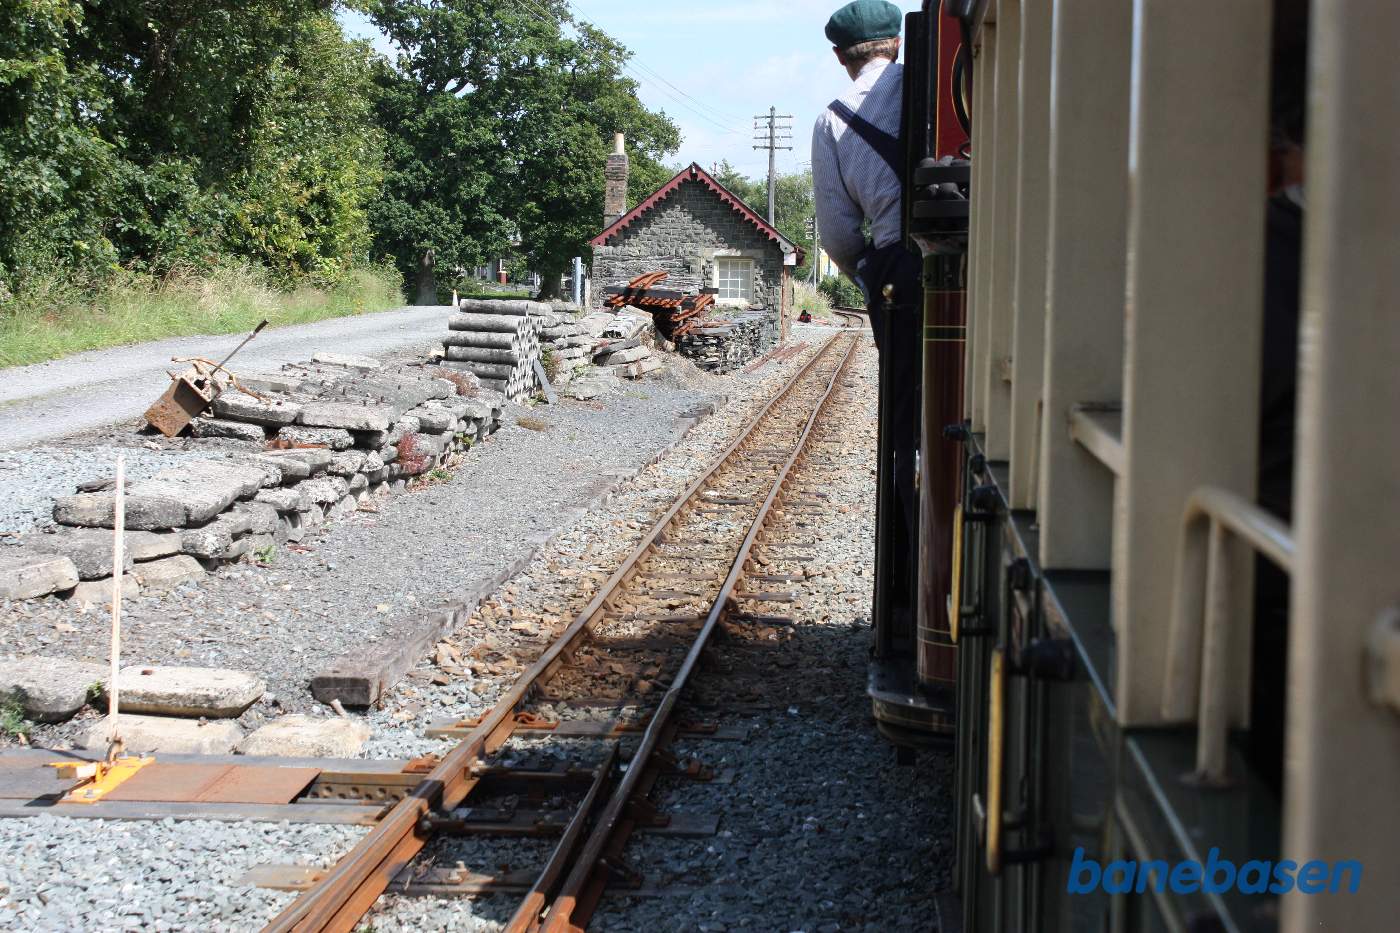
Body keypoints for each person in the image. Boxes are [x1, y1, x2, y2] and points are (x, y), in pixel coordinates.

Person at [812, 0, 922, 626]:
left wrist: (872, 272)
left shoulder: (832, 121)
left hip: (896, 277)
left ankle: (912, 577)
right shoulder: (938, 91)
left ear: (840, 56)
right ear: (899, 44)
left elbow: (837, 235)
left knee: (906, 420)